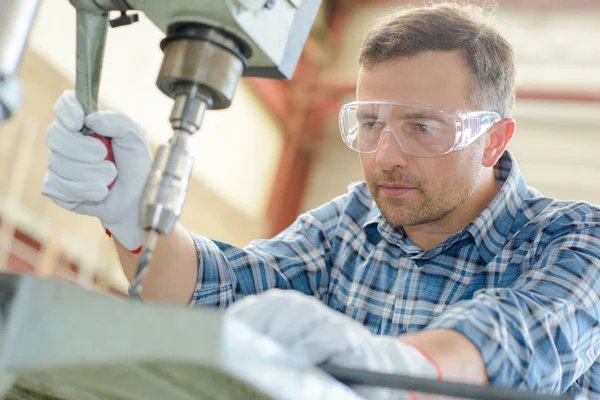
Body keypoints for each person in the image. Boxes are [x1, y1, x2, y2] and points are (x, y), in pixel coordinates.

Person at [41, 2, 600, 399]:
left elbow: (519, 338)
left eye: (423, 127)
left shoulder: (574, 239)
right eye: (370, 123)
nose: (385, 156)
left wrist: (392, 369)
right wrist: (133, 216)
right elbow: (217, 288)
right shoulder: (355, 223)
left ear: (494, 140)